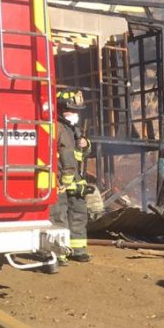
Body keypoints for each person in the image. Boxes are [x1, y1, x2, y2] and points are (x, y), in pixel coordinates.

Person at [48, 90, 91, 271]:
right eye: (71, 110)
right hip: (60, 179)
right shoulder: (57, 126)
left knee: (78, 214)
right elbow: (65, 155)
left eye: (77, 111)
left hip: (74, 179)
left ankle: (78, 249)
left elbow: (78, 154)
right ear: (60, 109)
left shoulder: (73, 128)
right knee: (59, 216)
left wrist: (86, 144)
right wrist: (64, 181)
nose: (75, 114)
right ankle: (59, 253)